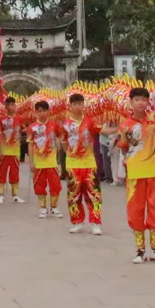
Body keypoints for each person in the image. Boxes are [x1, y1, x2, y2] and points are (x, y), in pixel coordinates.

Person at [117, 87, 155, 264]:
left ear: (148, 102)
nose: (141, 102)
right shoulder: (125, 125)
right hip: (135, 173)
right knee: (135, 211)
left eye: (144, 99)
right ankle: (140, 250)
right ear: (131, 102)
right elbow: (123, 145)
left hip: (154, 172)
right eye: (137, 99)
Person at [63, 94, 103, 235]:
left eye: (80, 103)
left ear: (83, 105)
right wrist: (70, 154)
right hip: (73, 164)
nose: (78, 106)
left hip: (89, 163)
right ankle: (78, 222)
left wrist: (120, 127)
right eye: (75, 104)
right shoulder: (66, 125)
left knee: (94, 193)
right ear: (70, 106)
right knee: (74, 194)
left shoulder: (90, 122)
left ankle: (95, 222)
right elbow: (63, 142)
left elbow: (103, 130)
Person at [27, 101, 62, 218]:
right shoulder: (32, 128)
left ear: (48, 112)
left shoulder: (54, 125)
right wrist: (31, 162)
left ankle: (54, 207)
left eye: (45, 111)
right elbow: (30, 145)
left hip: (52, 162)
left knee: (55, 185)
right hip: (39, 162)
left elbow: (60, 138)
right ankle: (42, 208)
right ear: (36, 112)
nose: (42, 114)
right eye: (40, 111)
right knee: (39, 185)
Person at [0, 98, 25, 204]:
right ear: (6, 106)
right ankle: (1, 195)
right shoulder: (1, 119)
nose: (13, 106)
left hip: (15, 151)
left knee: (14, 173)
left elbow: (25, 129)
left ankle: (15, 195)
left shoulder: (19, 119)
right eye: (11, 104)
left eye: (14, 104)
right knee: (2, 173)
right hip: (4, 150)